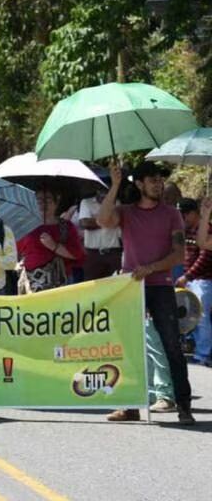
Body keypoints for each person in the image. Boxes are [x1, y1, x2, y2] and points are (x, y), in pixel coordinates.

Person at [98, 161, 194, 424]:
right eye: (152, 180)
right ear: (139, 184)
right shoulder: (126, 212)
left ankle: (184, 405)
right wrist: (116, 184)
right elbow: (102, 220)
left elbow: (178, 254)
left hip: (161, 286)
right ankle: (130, 406)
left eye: (159, 180)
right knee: (129, 347)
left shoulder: (171, 214)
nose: (158, 184)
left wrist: (150, 268)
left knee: (172, 346)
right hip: (130, 287)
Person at [17, 189, 86, 293]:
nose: (43, 204)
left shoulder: (66, 226)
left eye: (47, 200)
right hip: (31, 282)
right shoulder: (25, 225)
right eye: (39, 200)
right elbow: (16, 252)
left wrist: (54, 246)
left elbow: (77, 254)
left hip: (61, 283)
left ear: (56, 202)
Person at [178, 198, 212, 366]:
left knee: (202, 318)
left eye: (184, 214)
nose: (182, 218)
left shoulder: (206, 230)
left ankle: (203, 354)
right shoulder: (188, 231)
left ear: (192, 213)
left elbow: (205, 256)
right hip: (192, 280)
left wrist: (188, 276)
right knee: (193, 318)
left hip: (204, 281)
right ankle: (198, 350)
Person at [79, 188, 123, 281]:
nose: (104, 192)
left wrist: (95, 220)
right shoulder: (86, 202)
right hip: (93, 253)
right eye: (101, 189)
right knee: (91, 287)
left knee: (116, 284)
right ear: (97, 190)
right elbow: (85, 223)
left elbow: (118, 222)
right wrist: (108, 220)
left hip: (113, 252)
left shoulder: (117, 202)